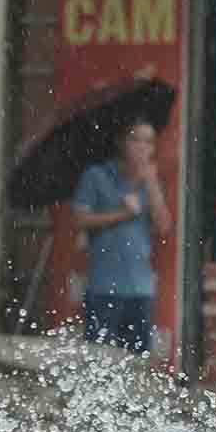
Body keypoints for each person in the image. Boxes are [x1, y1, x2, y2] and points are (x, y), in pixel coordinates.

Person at [71, 119, 169, 353]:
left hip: (140, 288)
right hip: (104, 287)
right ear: (122, 143)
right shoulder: (97, 176)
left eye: (148, 141)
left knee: (137, 362)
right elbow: (80, 219)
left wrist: (152, 183)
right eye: (136, 139)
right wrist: (124, 213)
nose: (142, 147)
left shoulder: (150, 183)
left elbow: (163, 225)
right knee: (99, 359)